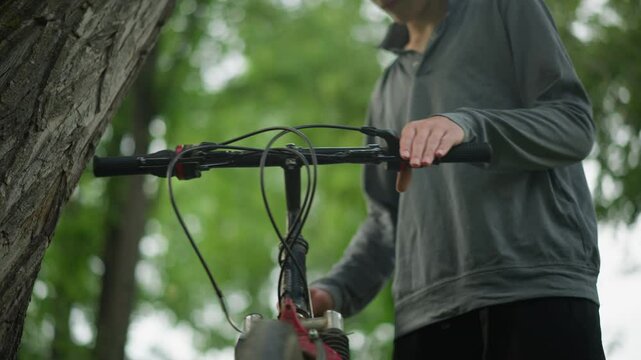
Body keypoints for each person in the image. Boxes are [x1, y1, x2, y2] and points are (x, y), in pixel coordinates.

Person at [310, 0, 606, 359]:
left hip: (536, 292)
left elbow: (572, 125)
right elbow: (387, 221)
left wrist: (468, 125)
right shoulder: (386, 89)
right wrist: (334, 290)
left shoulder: (506, 8)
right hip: (423, 320)